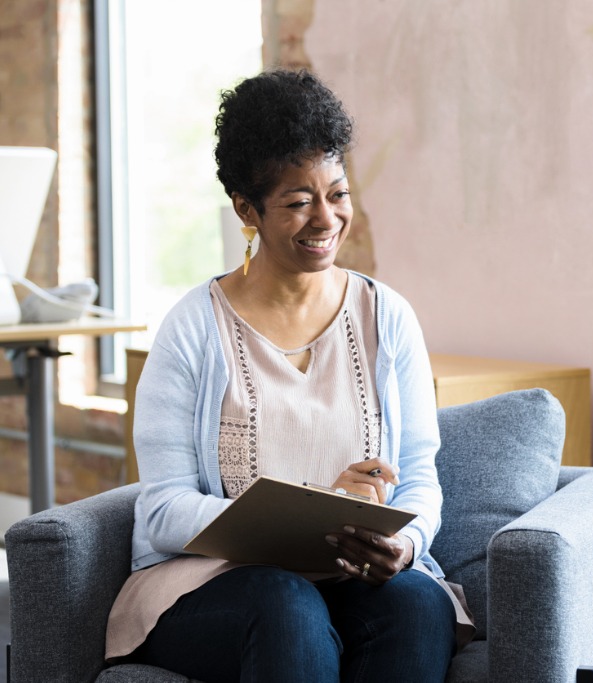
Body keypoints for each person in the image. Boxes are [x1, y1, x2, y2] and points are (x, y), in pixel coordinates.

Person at [104, 68, 471, 682]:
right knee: (287, 606)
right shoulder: (193, 329)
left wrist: (404, 545)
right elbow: (164, 507)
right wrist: (323, 507)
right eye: (299, 202)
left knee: (415, 603)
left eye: (338, 193)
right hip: (217, 588)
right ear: (246, 209)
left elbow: (420, 476)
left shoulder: (389, 318)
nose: (326, 219)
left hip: (351, 582)